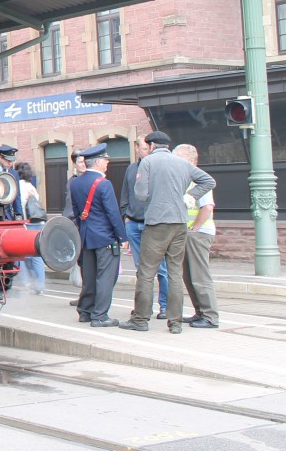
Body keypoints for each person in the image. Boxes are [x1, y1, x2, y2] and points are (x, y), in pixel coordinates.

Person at [119, 131, 215, 334]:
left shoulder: (148, 162)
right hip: (179, 223)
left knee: (146, 272)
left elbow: (141, 194)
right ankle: (175, 322)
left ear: (152, 146)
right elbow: (208, 181)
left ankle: (140, 319)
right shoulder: (182, 163)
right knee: (175, 273)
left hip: (157, 223)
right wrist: (190, 195)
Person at [68, 144, 127, 326]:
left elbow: (77, 212)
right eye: (105, 159)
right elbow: (113, 214)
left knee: (89, 277)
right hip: (105, 237)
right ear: (98, 162)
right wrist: (122, 237)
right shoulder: (104, 184)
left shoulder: (75, 183)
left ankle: (85, 311)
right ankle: (100, 315)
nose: (107, 162)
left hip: (86, 237)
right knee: (106, 278)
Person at [120, 135, 169, 320]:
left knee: (161, 268)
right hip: (133, 222)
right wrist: (126, 217)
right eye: (144, 148)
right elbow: (125, 194)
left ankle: (165, 306)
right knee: (141, 270)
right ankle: (143, 308)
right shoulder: (131, 169)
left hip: (153, 224)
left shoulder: (158, 167)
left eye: (149, 148)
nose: (147, 151)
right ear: (137, 149)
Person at [174, 144, 221, 329]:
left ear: (192, 161)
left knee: (200, 276)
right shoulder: (185, 180)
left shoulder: (199, 180)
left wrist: (195, 228)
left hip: (198, 234)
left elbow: (207, 207)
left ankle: (210, 316)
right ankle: (200, 312)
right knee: (189, 275)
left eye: (180, 159)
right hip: (189, 233)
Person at [16, 162, 46, 294]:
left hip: (25, 223)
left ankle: (26, 282)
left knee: (19, 254)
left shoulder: (17, 186)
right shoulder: (31, 187)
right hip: (38, 223)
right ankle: (40, 284)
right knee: (37, 254)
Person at [62, 150, 86, 303]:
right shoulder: (72, 181)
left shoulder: (90, 178)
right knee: (82, 260)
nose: (83, 164)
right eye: (80, 162)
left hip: (88, 224)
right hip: (77, 224)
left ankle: (88, 295)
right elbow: (69, 205)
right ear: (75, 164)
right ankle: (85, 295)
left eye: (84, 161)